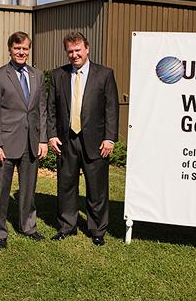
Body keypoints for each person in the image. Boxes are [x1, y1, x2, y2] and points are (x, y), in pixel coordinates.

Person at [48, 32, 119, 246]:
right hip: (66, 140)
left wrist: (110, 138)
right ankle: (67, 226)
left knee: (97, 188)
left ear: (87, 49)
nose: (74, 54)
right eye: (70, 51)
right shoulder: (58, 75)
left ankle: (97, 229)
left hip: (96, 141)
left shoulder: (104, 74)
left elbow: (111, 109)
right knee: (66, 186)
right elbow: (51, 108)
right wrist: (51, 135)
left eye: (78, 50)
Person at [0, 31, 48, 249]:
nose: (21, 52)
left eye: (25, 49)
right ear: (10, 50)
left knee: (28, 189)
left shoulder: (37, 75)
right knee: (1, 190)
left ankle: (28, 226)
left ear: (29, 50)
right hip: (5, 143)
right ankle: (0, 231)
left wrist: (43, 139)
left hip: (31, 143)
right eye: (17, 48)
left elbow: (41, 109)